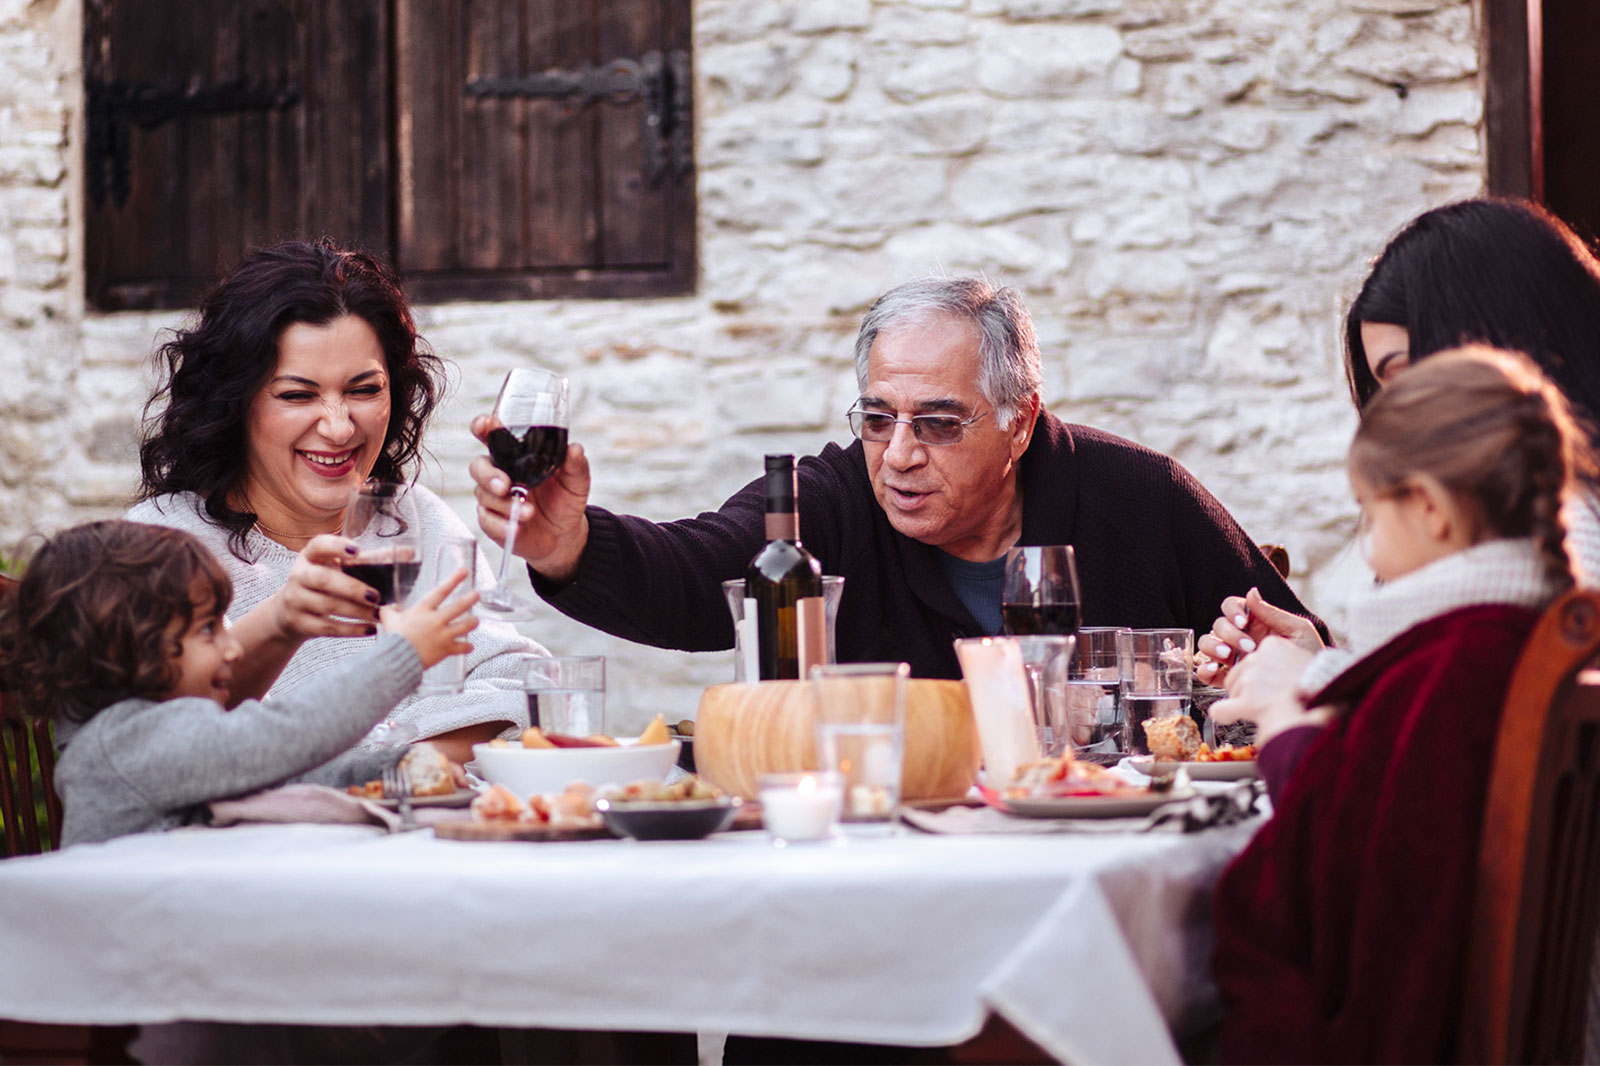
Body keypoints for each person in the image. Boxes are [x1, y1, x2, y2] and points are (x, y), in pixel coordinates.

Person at [469, 275, 1319, 678]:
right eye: (878, 419)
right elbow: (697, 572)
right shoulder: (832, 501)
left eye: (938, 423)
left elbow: (1302, 657)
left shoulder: (1141, 498)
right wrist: (571, 545)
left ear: (1019, 422)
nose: (901, 454)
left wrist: (1274, 661)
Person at [1208, 347, 1587, 1063]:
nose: (1369, 550)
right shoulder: (1516, 641)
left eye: (1370, 515)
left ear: (1431, 510)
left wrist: (1288, 728)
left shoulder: (1462, 666)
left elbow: (1363, 888)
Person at [129, 239, 543, 764]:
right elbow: (172, 738)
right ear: (234, 402)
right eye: (297, 395)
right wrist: (392, 764)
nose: (339, 427)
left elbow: (517, 683)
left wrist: (403, 768)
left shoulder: (413, 519)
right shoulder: (161, 547)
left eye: (363, 390)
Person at [1200, 197, 1600, 683]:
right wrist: (1317, 665)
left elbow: (1459, 717)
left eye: (1408, 374)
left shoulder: (1561, 538)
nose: (1397, 411)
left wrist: (1310, 688)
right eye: (1385, 389)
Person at [0, 521, 478, 847]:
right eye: (209, 629)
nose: (233, 649)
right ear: (123, 647)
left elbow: (281, 780)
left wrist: (391, 770)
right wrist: (402, 654)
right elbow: (283, 736)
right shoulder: (123, 744)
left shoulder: (161, 738)